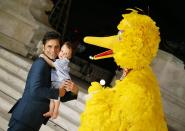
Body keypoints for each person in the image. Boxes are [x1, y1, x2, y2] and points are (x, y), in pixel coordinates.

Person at [8, 31, 78, 131]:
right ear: (43, 47)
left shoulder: (54, 67)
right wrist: (58, 92)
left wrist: (75, 91)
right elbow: (36, 90)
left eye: (56, 47)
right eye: (49, 46)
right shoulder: (41, 64)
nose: (53, 50)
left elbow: (60, 95)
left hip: (32, 120)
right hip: (25, 118)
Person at [39, 41, 73, 119]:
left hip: (61, 82)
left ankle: (55, 111)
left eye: (66, 54)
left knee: (56, 98)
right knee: (52, 97)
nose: (62, 54)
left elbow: (52, 64)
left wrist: (44, 57)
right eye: (62, 51)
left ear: (69, 57)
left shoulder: (64, 61)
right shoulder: (60, 60)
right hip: (57, 81)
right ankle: (51, 111)